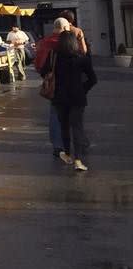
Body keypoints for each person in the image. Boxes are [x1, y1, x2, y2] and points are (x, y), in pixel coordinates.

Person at [40, 30, 96, 170]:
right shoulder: (81, 58)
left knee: (64, 126)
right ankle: (78, 159)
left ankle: (67, 154)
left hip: (59, 96)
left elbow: (44, 71)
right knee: (77, 127)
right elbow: (93, 79)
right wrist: (84, 88)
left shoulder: (54, 56)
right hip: (77, 97)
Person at [35, 18, 70, 157]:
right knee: (71, 113)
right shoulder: (67, 42)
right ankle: (72, 142)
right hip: (69, 83)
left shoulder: (46, 42)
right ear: (66, 28)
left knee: (55, 113)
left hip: (53, 83)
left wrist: (46, 77)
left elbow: (38, 64)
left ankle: (57, 145)